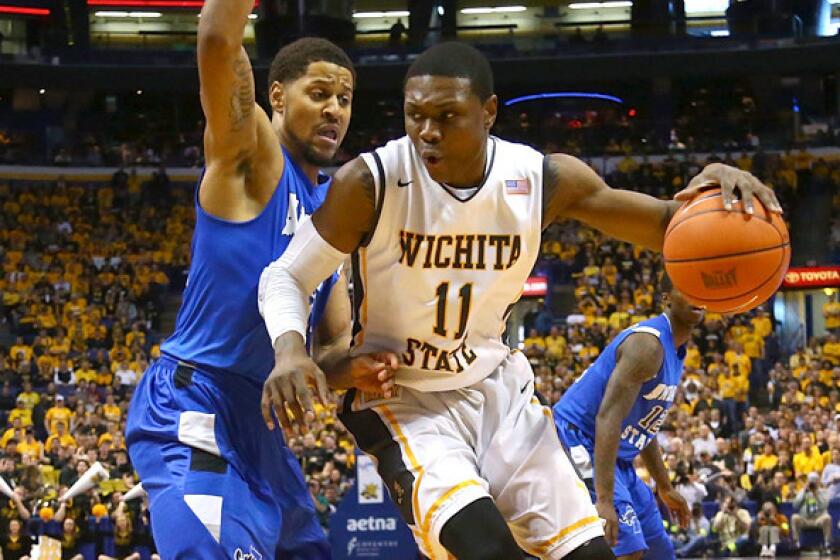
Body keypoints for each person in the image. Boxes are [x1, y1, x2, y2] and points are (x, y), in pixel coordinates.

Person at [258, 41, 778, 560]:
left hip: (500, 397)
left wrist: (717, 191)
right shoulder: (371, 181)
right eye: (415, 116)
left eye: (447, 116)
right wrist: (289, 349)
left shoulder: (539, 180)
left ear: (488, 113)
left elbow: (671, 226)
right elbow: (284, 276)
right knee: (489, 552)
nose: (427, 132)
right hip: (406, 401)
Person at [124, 1, 393, 558]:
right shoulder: (251, 157)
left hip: (261, 430)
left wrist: (362, 369)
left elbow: (330, 348)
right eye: (318, 94)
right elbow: (218, 40)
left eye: (344, 99)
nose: (334, 110)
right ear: (276, 97)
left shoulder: (330, 216)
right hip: (195, 400)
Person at [553, 275, 701, 559]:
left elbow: (644, 426)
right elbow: (607, 417)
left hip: (616, 455)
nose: (697, 298)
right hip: (578, 440)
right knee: (625, 549)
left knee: (660, 550)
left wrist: (665, 486)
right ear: (666, 298)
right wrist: (605, 499)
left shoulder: (676, 349)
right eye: (687, 288)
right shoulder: (648, 344)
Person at [791, 472, 832, 554]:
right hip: (805, 519)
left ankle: (827, 544)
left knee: (827, 518)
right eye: (811, 481)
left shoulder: (824, 492)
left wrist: (816, 494)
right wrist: (803, 492)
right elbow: (795, 505)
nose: (813, 483)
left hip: (818, 519)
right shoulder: (802, 491)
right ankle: (796, 543)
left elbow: (824, 506)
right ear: (807, 481)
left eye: (815, 481)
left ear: (818, 482)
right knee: (794, 517)